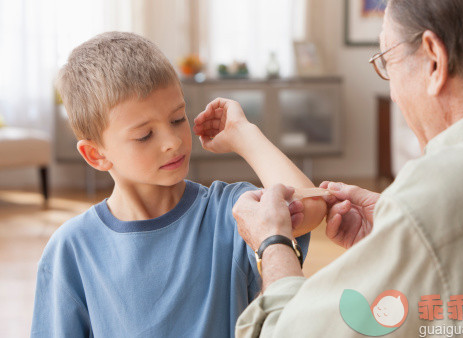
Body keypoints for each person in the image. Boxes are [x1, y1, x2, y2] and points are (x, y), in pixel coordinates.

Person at [233, 0, 463, 337]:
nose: (392, 94)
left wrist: (272, 244)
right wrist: (397, 234)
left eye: (388, 62)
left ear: (434, 59)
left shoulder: (443, 190)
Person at [30, 32, 327, 337]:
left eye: (177, 119)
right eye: (145, 135)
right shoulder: (72, 249)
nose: (172, 142)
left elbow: (310, 206)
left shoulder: (232, 211)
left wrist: (245, 134)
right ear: (96, 154)